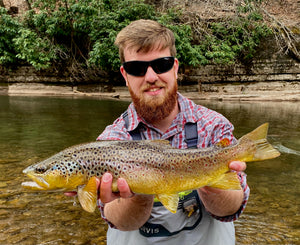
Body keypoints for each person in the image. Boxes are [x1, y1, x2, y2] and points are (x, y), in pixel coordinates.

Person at [95, 19, 249, 244]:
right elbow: (117, 221)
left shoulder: (214, 125)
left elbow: (233, 207)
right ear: (125, 75)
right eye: (137, 68)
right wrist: (141, 193)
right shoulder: (111, 140)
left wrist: (207, 177)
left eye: (162, 64)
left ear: (175, 68)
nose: (150, 77)